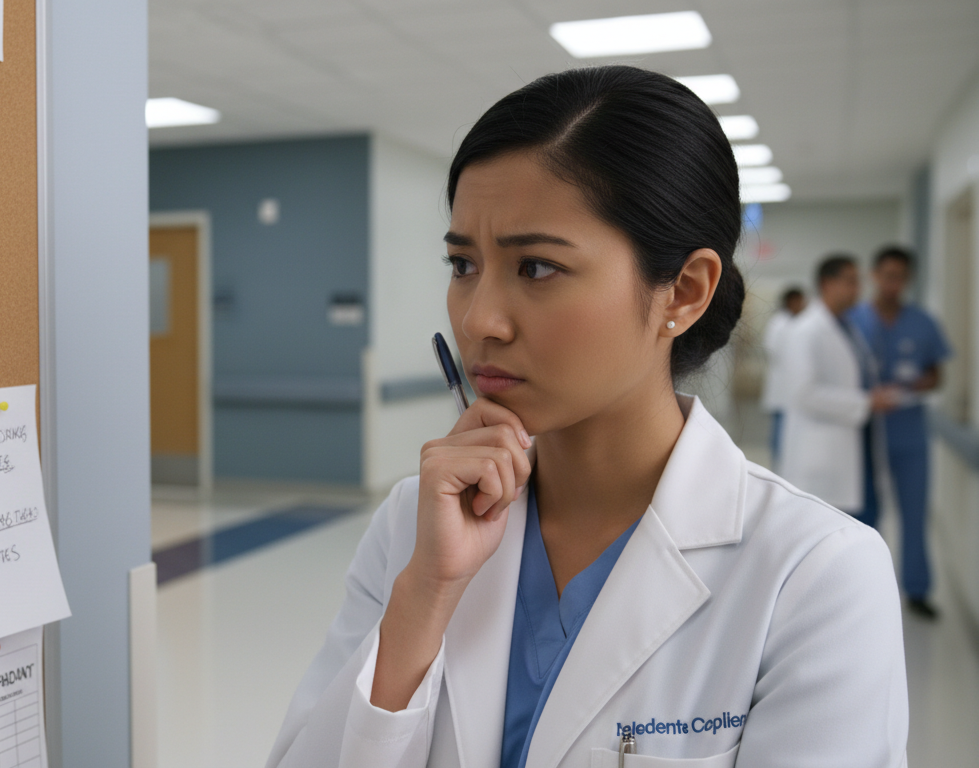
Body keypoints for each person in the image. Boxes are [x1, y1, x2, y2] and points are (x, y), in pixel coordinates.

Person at [266, 67, 906, 768]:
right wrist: (426, 595)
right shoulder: (414, 526)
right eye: (462, 264)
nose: (479, 319)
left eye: (536, 267)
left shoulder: (815, 574)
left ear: (683, 292)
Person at [849, 246, 950, 619]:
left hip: (909, 433)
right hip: (864, 431)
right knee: (864, 515)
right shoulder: (854, 319)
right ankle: (863, 590)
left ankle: (918, 589)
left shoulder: (922, 323)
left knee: (914, 510)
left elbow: (939, 373)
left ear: (908, 280)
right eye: (887, 276)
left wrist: (913, 386)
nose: (893, 284)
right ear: (875, 276)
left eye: (900, 277)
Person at [779, 256, 897, 517]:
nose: (858, 290)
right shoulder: (805, 330)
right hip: (824, 458)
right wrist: (867, 402)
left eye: (858, 282)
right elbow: (803, 394)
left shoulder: (848, 327)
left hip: (855, 446)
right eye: (851, 282)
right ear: (826, 284)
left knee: (864, 527)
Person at [760, 287, 806, 469]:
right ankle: (778, 462)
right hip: (782, 387)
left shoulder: (799, 322)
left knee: (790, 427)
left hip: (793, 386)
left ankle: (786, 460)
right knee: (780, 428)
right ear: (790, 302)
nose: (803, 304)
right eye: (799, 300)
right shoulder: (779, 323)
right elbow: (773, 350)